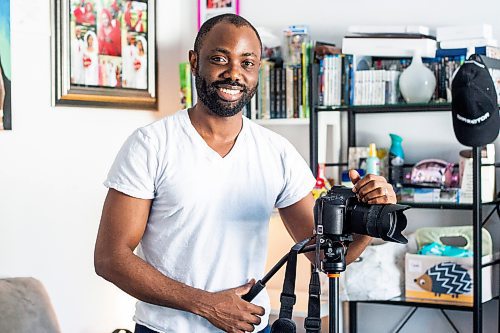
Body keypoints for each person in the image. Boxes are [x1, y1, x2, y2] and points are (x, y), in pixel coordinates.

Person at [94, 14, 397, 333]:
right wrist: (207, 304)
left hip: (250, 327)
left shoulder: (276, 152)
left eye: (247, 63)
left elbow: (323, 256)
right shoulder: (151, 145)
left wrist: (368, 223)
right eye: (219, 58)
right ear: (195, 62)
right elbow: (110, 258)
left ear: (257, 72)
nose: (233, 73)